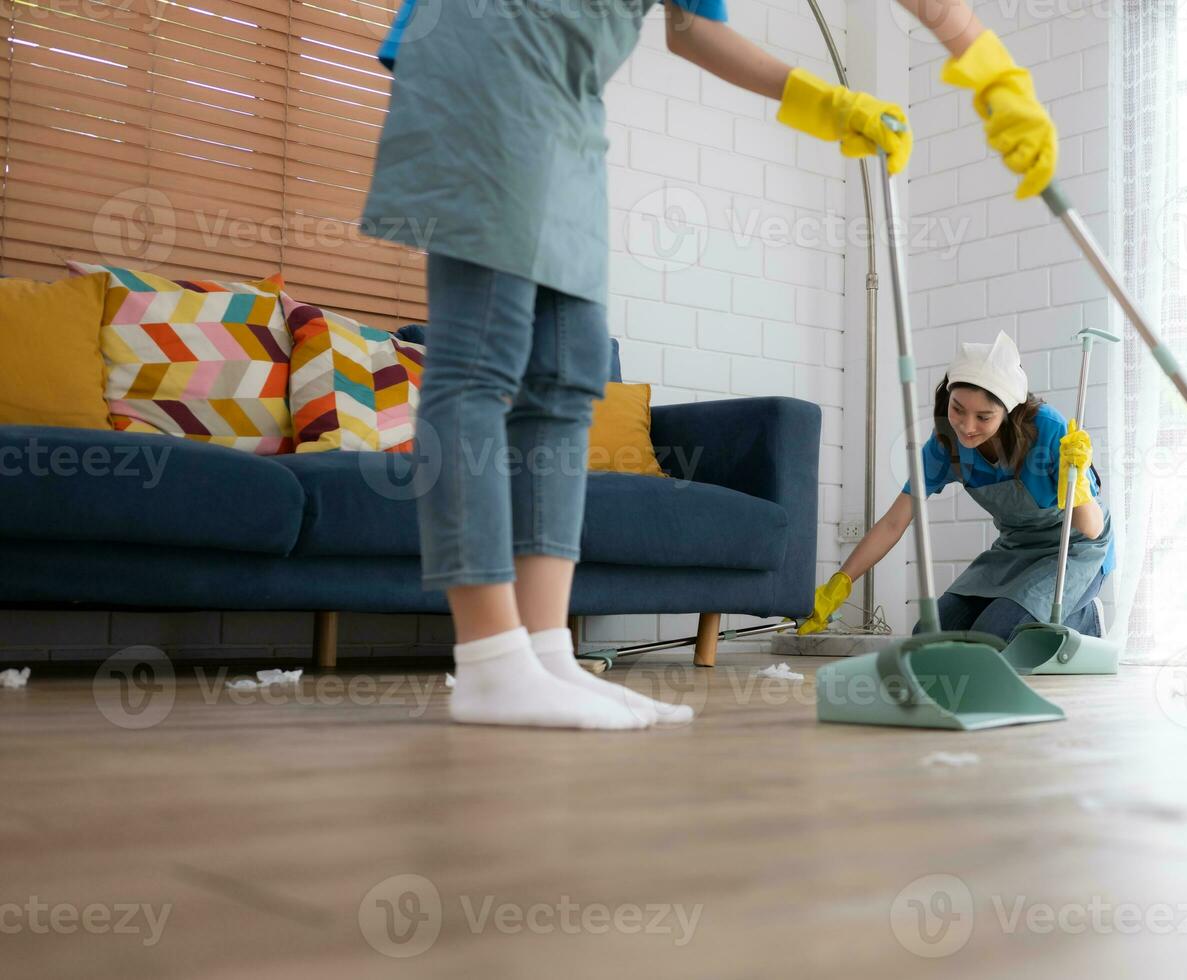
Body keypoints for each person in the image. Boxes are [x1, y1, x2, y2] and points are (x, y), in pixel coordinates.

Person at [360, 0, 1061, 729]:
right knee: (482, 361)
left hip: (569, 99)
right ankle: (490, 661)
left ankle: (541, 653)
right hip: (490, 54)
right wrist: (984, 60)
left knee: (568, 378)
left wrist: (824, 100)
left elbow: (692, 27)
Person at [799, 332, 1115, 642]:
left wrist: (1077, 475)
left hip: (1073, 549)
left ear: (1008, 413)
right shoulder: (945, 445)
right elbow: (894, 523)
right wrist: (840, 582)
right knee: (927, 636)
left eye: (984, 417)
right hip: (1017, 549)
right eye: (958, 409)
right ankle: (1025, 611)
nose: (966, 426)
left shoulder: (1048, 430)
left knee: (994, 635)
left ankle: (1084, 619)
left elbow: (1091, 528)